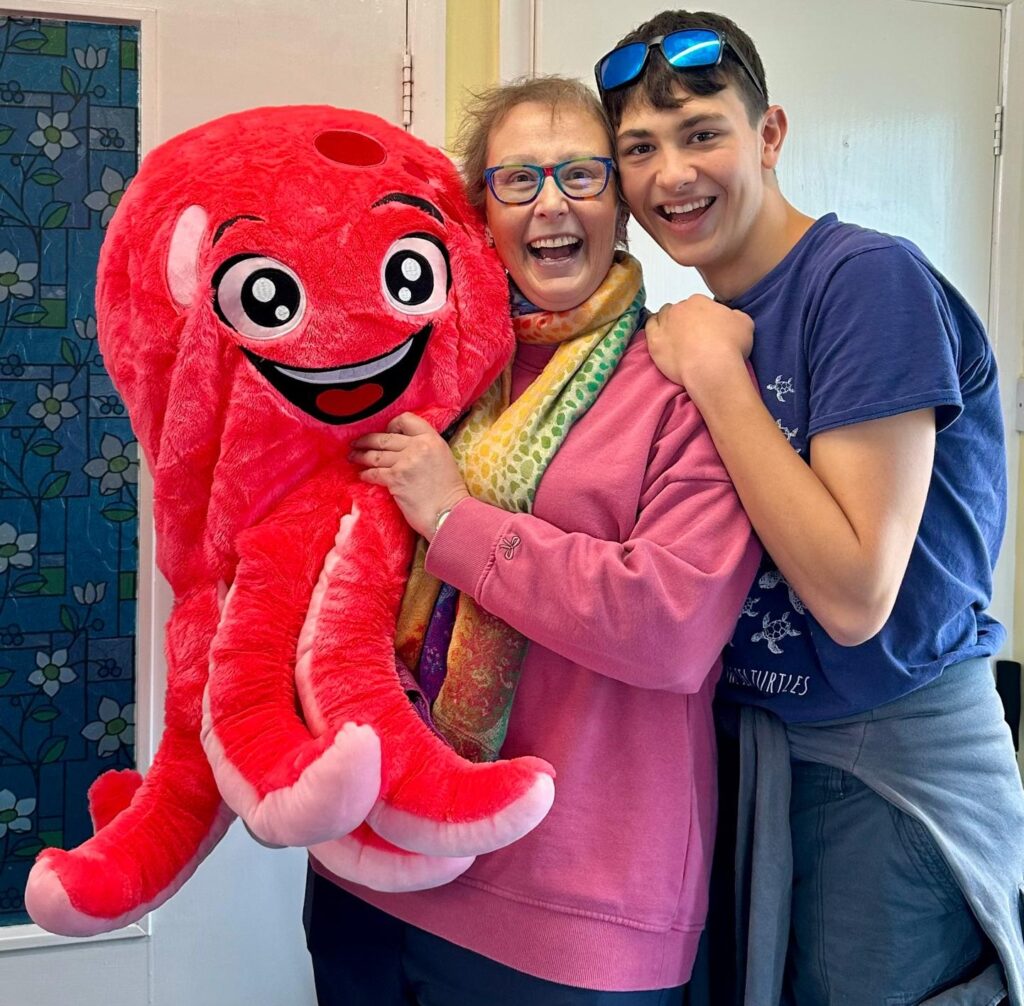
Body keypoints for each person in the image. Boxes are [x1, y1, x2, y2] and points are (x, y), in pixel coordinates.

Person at [596, 9, 1024, 1005]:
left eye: (702, 132)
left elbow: (850, 592)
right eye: (638, 151)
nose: (672, 176)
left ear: (769, 133)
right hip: (753, 759)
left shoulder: (863, 280)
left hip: (884, 772)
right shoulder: (686, 326)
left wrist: (716, 377)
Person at [302, 75, 760, 1004]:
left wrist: (453, 518)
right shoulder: (428, 369)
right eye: (518, 180)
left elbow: (670, 626)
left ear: (621, 207)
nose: (551, 203)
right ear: (479, 214)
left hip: (571, 916)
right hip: (371, 862)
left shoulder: (685, 382)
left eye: (581, 175)